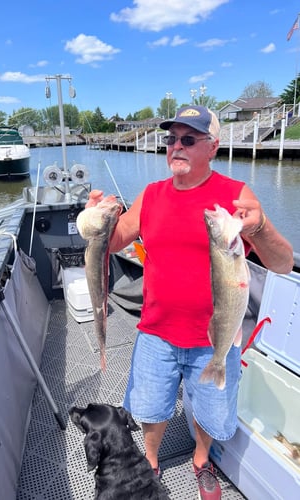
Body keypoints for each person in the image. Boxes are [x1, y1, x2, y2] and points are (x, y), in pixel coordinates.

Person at [86, 105, 293, 499]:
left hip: (213, 338)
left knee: (210, 416)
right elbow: (112, 243)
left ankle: (201, 461)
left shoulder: (235, 197)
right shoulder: (151, 195)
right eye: (171, 139)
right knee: (149, 410)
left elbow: (282, 263)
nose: (176, 147)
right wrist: (99, 219)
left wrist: (261, 227)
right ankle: (147, 461)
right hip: (156, 331)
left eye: (188, 139)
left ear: (212, 147)